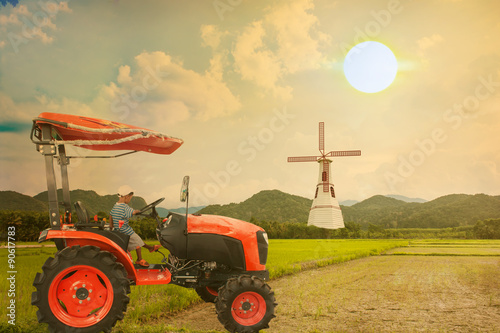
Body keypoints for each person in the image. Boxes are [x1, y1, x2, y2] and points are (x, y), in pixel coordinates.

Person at [110, 185, 160, 267]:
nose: (130, 200)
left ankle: (150, 248)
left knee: (138, 240)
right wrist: (138, 211)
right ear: (126, 196)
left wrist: (111, 226)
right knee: (137, 241)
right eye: (130, 198)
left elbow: (111, 215)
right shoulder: (124, 207)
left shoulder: (115, 206)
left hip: (118, 230)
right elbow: (133, 212)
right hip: (125, 230)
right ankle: (139, 259)